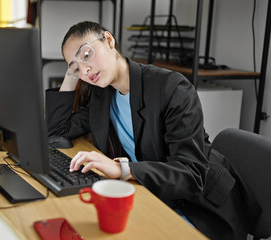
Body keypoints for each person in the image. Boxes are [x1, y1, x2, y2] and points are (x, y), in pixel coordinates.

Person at [45, 21, 261, 240]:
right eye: (76, 67)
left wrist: (122, 169)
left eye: (87, 55)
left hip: (200, 207)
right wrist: (71, 73)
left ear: (109, 40)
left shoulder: (172, 88)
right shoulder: (102, 95)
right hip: (150, 192)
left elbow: (191, 174)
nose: (85, 69)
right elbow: (58, 129)